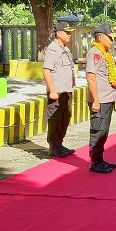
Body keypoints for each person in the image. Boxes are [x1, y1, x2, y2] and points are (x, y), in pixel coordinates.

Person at [85, 23, 116, 174]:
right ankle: (95, 162)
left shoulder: (104, 53)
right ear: (101, 37)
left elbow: (105, 71)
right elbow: (91, 77)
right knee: (98, 130)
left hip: (107, 98)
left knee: (103, 131)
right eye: (110, 38)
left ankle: (100, 159)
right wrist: (95, 100)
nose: (112, 41)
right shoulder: (95, 53)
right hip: (100, 100)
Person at [43, 21, 78, 158]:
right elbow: (46, 70)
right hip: (57, 91)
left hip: (66, 90)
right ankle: (54, 146)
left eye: (70, 32)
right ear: (58, 33)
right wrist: (52, 90)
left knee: (65, 117)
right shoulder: (53, 48)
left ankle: (59, 144)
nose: (69, 35)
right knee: (55, 119)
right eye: (67, 32)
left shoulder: (65, 48)